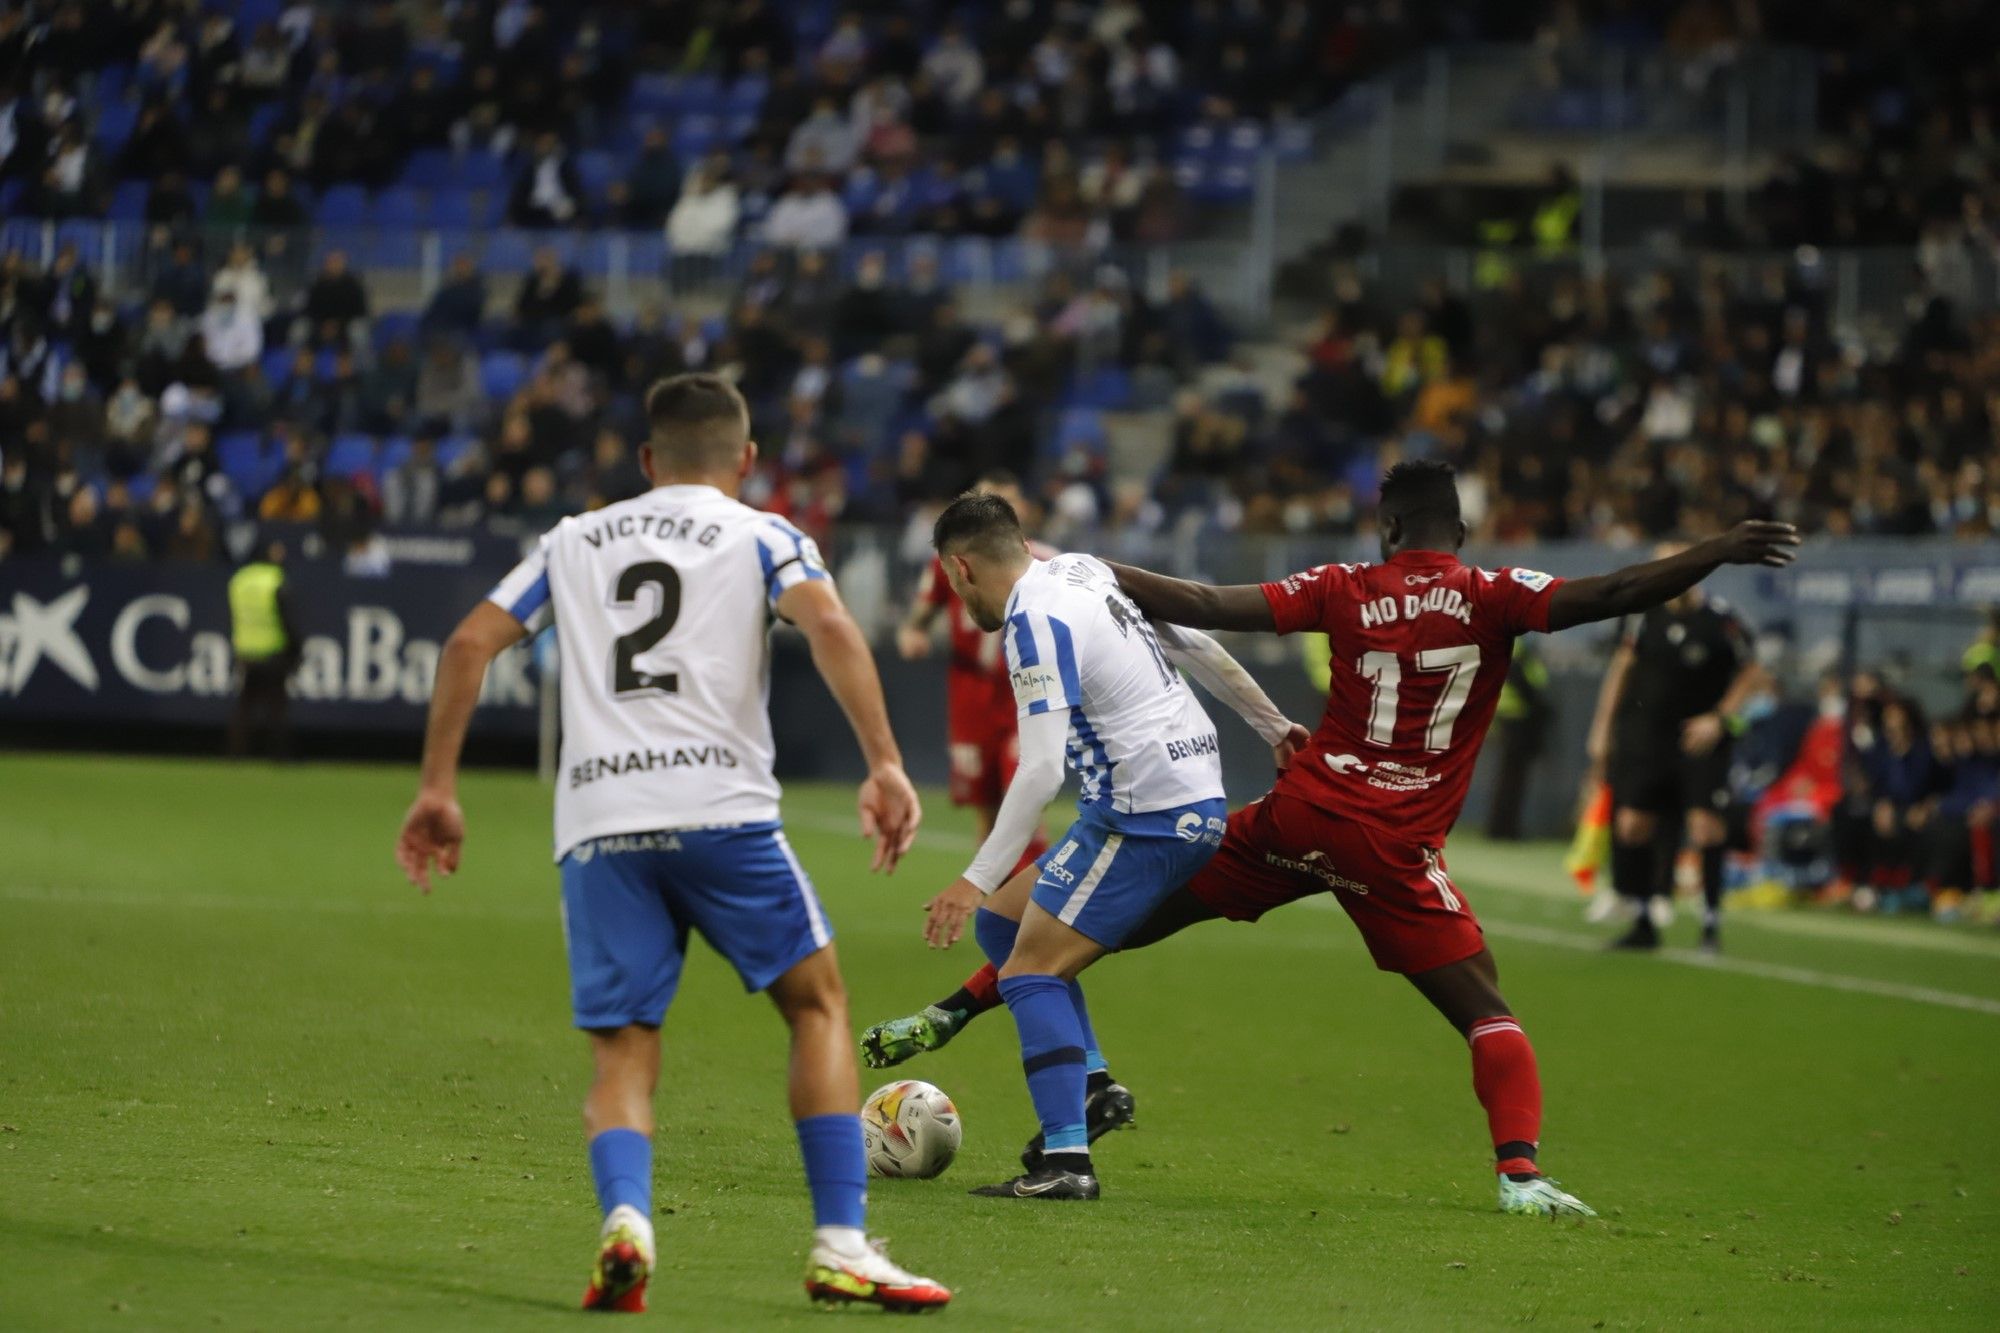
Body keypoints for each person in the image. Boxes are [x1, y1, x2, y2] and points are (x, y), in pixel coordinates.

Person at [864, 460, 1799, 1218]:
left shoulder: (1345, 587)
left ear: (1387, 531)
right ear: (1460, 534)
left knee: (1066, 944)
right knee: (1484, 1008)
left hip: (1293, 818)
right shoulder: (1495, 595)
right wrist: (1716, 550)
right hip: (1391, 844)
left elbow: (1203, 603)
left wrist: (1108, 574)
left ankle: (1052, 1119)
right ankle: (1520, 1173)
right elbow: (1621, 588)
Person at [392, 374, 950, 1314]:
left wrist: (438, 789)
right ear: (745, 459)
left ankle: (628, 1222)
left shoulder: (571, 540)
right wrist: (887, 762)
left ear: (646, 461)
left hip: (601, 823)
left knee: (623, 1050)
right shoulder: (764, 533)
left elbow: (465, 645)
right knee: (816, 1005)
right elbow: (829, 623)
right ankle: (842, 1246)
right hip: (721, 811)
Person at [919, 492, 1302, 1201]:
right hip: (1181, 792)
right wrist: (1274, 725)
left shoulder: (1029, 621)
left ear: (961, 567)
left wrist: (972, 874)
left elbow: (1039, 769)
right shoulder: (1081, 569)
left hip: (1145, 815)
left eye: (949, 579)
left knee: (1028, 973)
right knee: (1003, 921)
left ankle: (1067, 1162)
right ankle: (1092, 1086)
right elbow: (1195, 642)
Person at [1585, 549, 1763, 950]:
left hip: (1700, 741)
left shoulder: (1722, 619)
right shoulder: (1643, 616)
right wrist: (1601, 729)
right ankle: (1644, 921)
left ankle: (1711, 926)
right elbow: (1621, 669)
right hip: (1649, 738)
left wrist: (1719, 717)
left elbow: (1752, 671)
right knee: (1633, 825)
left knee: (1704, 825)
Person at [226, 540, 301, 759]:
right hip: (272, 649)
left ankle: (235, 753)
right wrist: (295, 647)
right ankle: (279, 755)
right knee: (276, 706)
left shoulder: (239, 579)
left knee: (245, 706)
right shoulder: (274, 580)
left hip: (246, 650)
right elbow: (286, 617)